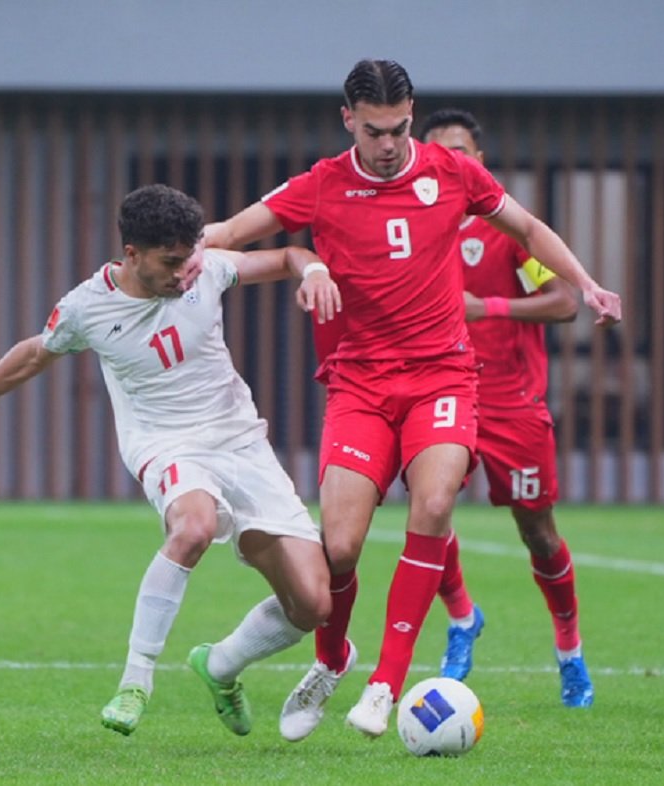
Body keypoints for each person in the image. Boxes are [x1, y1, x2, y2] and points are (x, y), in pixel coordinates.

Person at [199, 59, 621, 740]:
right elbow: (229, 232)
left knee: (432, 504)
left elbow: (530, 229)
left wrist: (589, 283)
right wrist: (152, 267)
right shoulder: (323, 183)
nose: (389, 144)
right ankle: (332, 661)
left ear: (411, 114)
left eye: (398, 128)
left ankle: (387, 683)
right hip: (360, 383)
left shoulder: (453, 172)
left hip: (442, 376)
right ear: (349, 121)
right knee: (338, 547)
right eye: (374, 131)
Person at [0, 184, 342, 738]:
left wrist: (315, 272)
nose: (184, 274)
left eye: (190, 258)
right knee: (193, 527)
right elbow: (34, 353)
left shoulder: (205, 268)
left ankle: (221, 664)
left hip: (241, 441)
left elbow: (284, 256)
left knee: (312, 606)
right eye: (171, 263)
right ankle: (136, 681)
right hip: (166, 444)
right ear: (131, 254)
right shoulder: (87, 307)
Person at [418, 108, 593, 708]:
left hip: (513, 405)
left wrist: (486, 307)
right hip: (444, 395)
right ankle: (462, 618)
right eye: (440, 154)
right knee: (428, 511)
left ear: (480, 161)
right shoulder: (414, 227)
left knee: (538, 533)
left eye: (461, 152)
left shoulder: (510, 230)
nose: (452, 164)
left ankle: (569, 650)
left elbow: (565, 303)